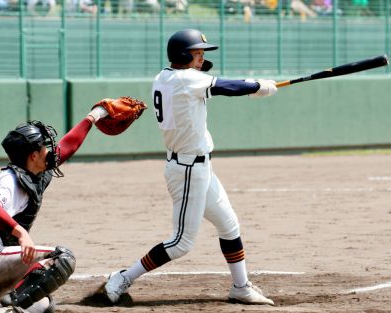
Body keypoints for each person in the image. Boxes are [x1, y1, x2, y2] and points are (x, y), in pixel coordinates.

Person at [104, 28, 277, 306]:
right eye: (197, 53)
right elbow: (225, 87)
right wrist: (257, 85)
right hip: (187, 170)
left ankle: (241, 287)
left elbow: (214, 82)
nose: (201, 58)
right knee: (181, 243)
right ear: (183, 54)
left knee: (229, 225)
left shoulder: (166, 76)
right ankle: (123, 277)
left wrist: (252, 85)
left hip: (200, 168)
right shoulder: (185, 79)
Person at [0, 105, 109, 313]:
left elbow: (66, 148)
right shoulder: (10, 180)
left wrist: (95, 116)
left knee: (42, 304)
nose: (50, 151)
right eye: (44, 147)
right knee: (62, 258)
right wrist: (20, 233)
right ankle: (3, 309)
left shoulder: (31, 173)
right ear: (33, 155)